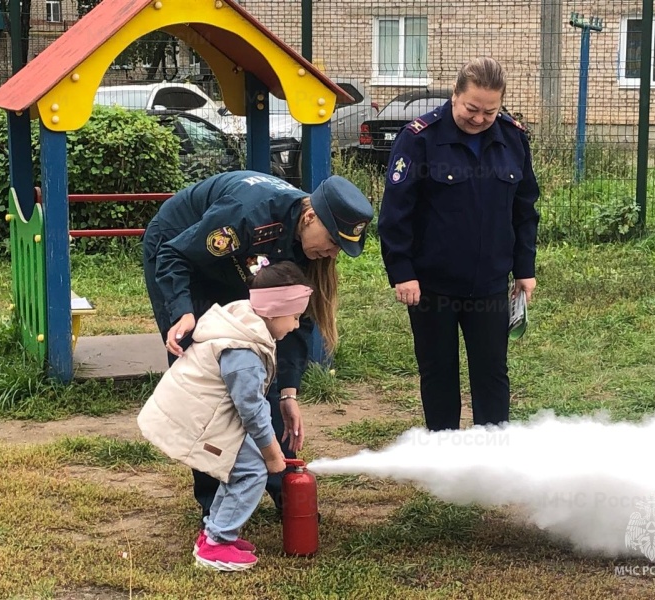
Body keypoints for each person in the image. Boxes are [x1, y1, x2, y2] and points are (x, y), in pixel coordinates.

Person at [142, 170, 373, 520]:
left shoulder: (306, 251)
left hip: (239, 265)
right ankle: (215, 505)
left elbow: (292, 324)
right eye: (332, 242)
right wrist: (184, 312)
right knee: (211, 379)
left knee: (253, 366)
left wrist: (288, 394)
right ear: (310, 216)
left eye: (341, 248)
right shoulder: (248, 215)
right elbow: (176, 256)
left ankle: (281, 488)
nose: (332, 254)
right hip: (182, 256)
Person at [378, 56, 540, 431]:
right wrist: (402, 272)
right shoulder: (419, 139)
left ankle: (490, 455)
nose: (480, 118)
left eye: (489, 111)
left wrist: (525, 269)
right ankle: (445, 457)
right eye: (472, 108)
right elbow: (395, 213)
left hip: (490, 283)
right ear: (454, 95)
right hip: (431, 285)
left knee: (492, 372)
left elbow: (525, 210)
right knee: (438, 372)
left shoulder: (513, 139)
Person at [138, 261, 313, 571]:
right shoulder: (243, 351)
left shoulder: (244, 323)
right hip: (197, 420)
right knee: (252, 471)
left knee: (241, 470)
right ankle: (217, 544)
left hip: (204, 415)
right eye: (295, 317)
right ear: (273, 311)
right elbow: (252, 410)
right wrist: (272, 453)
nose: (297, 325)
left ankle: (215, 532)